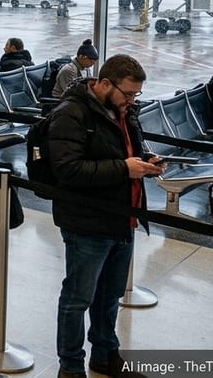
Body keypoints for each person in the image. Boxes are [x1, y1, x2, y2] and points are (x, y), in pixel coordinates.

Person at [48, 54, 164, 378]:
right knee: (78, 298)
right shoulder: (71, 112)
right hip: (87, 221)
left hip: (122, 218)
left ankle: (105, 354)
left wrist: (145, 162)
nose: (131, 100)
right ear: (103, 83)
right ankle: (70, 367)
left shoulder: (125, 111)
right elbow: (67, 169)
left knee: (110, 295)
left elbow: (126, 153)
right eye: (127, 93)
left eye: (135, 95)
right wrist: (125, 169)